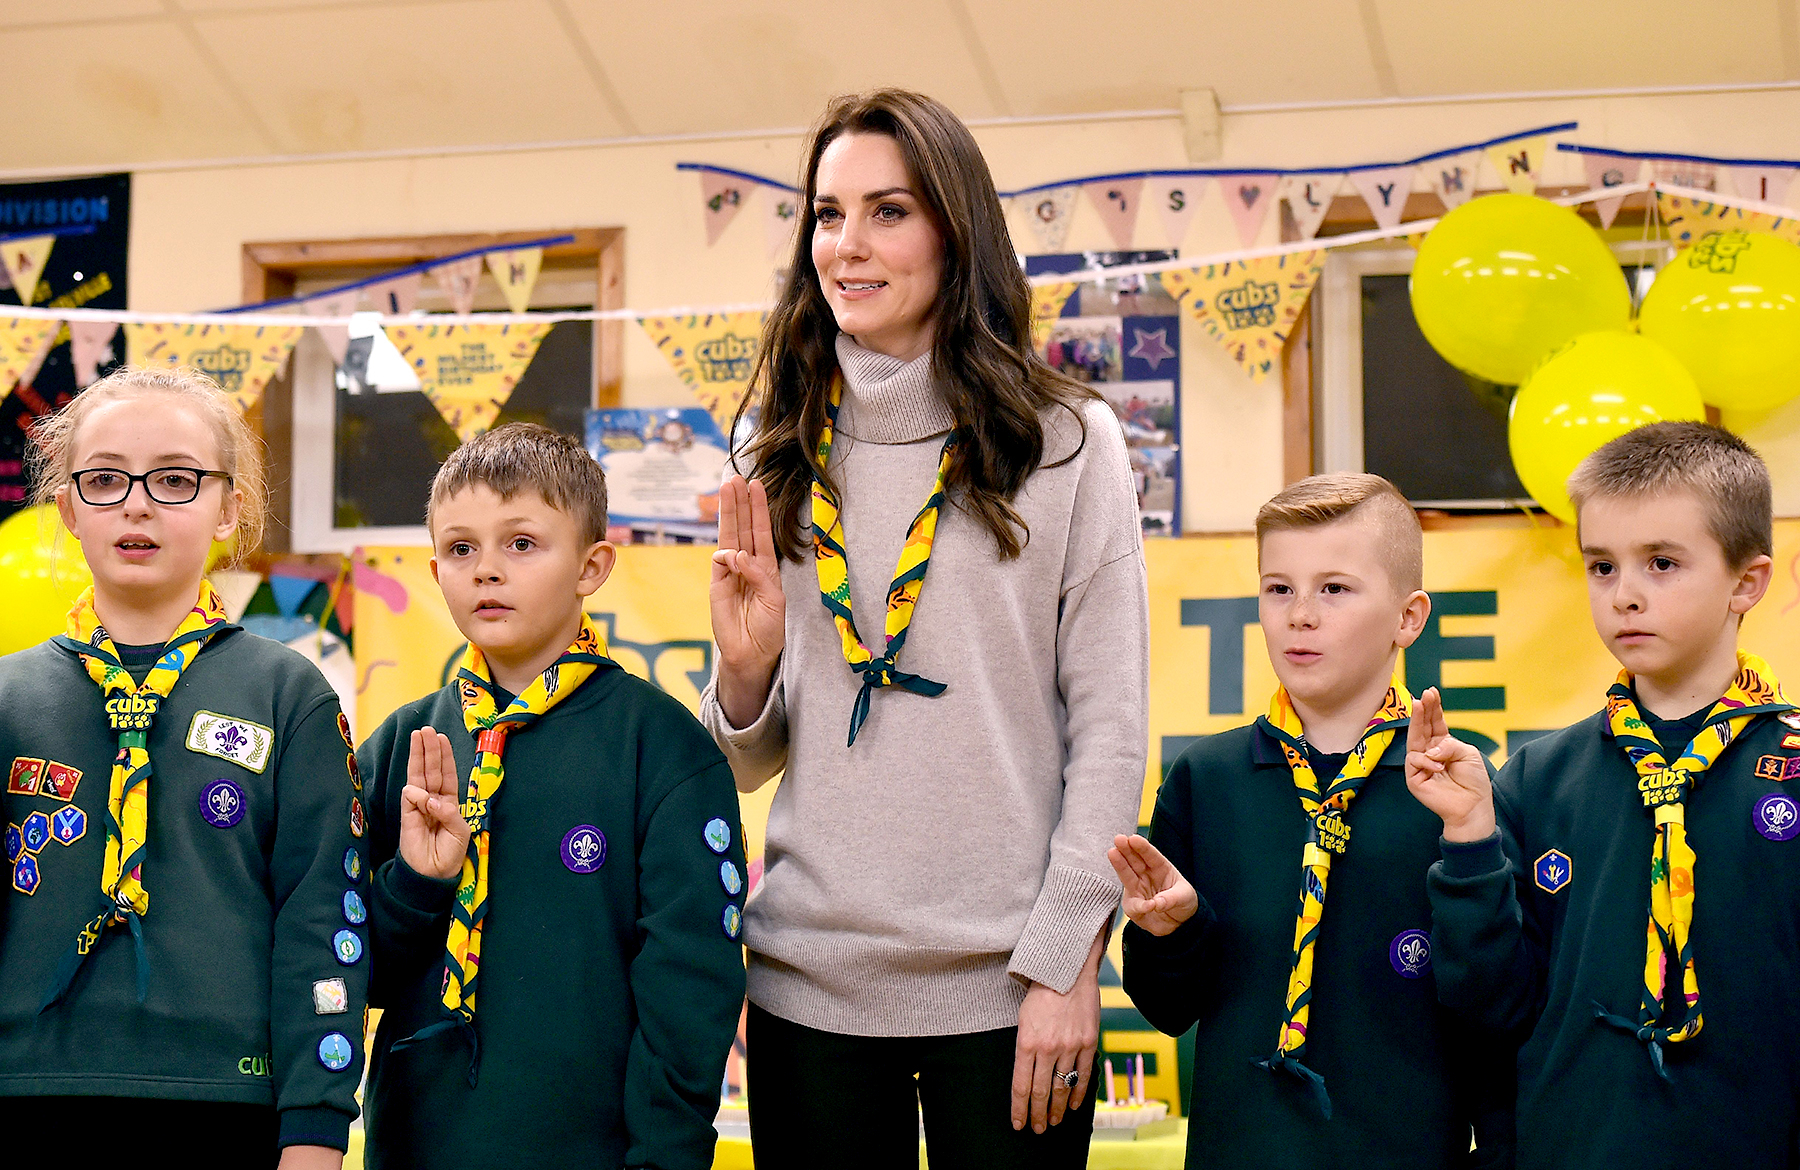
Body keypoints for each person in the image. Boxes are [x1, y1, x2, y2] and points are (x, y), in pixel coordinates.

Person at [702, 88, 1149, 1166]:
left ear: (958, 230)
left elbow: (1112, 728)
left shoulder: (1068, 442)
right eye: (825, 214)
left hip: (1010, 989)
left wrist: (1062, 962)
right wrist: (746, 672)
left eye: (887, 212)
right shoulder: (779, 446)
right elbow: (749, 757)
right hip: (809, 984)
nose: (846, 247)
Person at [0, 366, 364, 1167]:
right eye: (104, 479)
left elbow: (323, 919)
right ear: (65, 508)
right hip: (25, 1095)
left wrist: (315, 1127)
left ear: (229, 507)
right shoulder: (9, 695)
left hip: (229, 1108)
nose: (137, 503)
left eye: (174, 479)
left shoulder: (286, 693)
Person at [1410, 422, 1800, 1168]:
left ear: (1745, 582)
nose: (1624, 595)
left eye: (1661, 563)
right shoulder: (1532, 779)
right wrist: (1467, 841)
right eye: (1600, 566)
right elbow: (1491, 1010)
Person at [358, 422, 746, 1170]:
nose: (487, 572)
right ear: (435, 567)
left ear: (592, 566)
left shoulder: (662, 748)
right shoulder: (401, 749)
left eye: (522, 544)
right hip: (416, 1146)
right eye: (462, 549)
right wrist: (415, 884)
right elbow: (349, 969)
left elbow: (691, 990)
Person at [1111, 473, 1513, 1168]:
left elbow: (1496, 1007)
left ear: (1408, 619)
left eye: (1335, 588)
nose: (1300, 614)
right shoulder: (1207, 782)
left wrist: (1472, 849)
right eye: (1279, 588)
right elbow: (1166, 1007)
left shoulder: (1456, 791)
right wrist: (1174, 935)